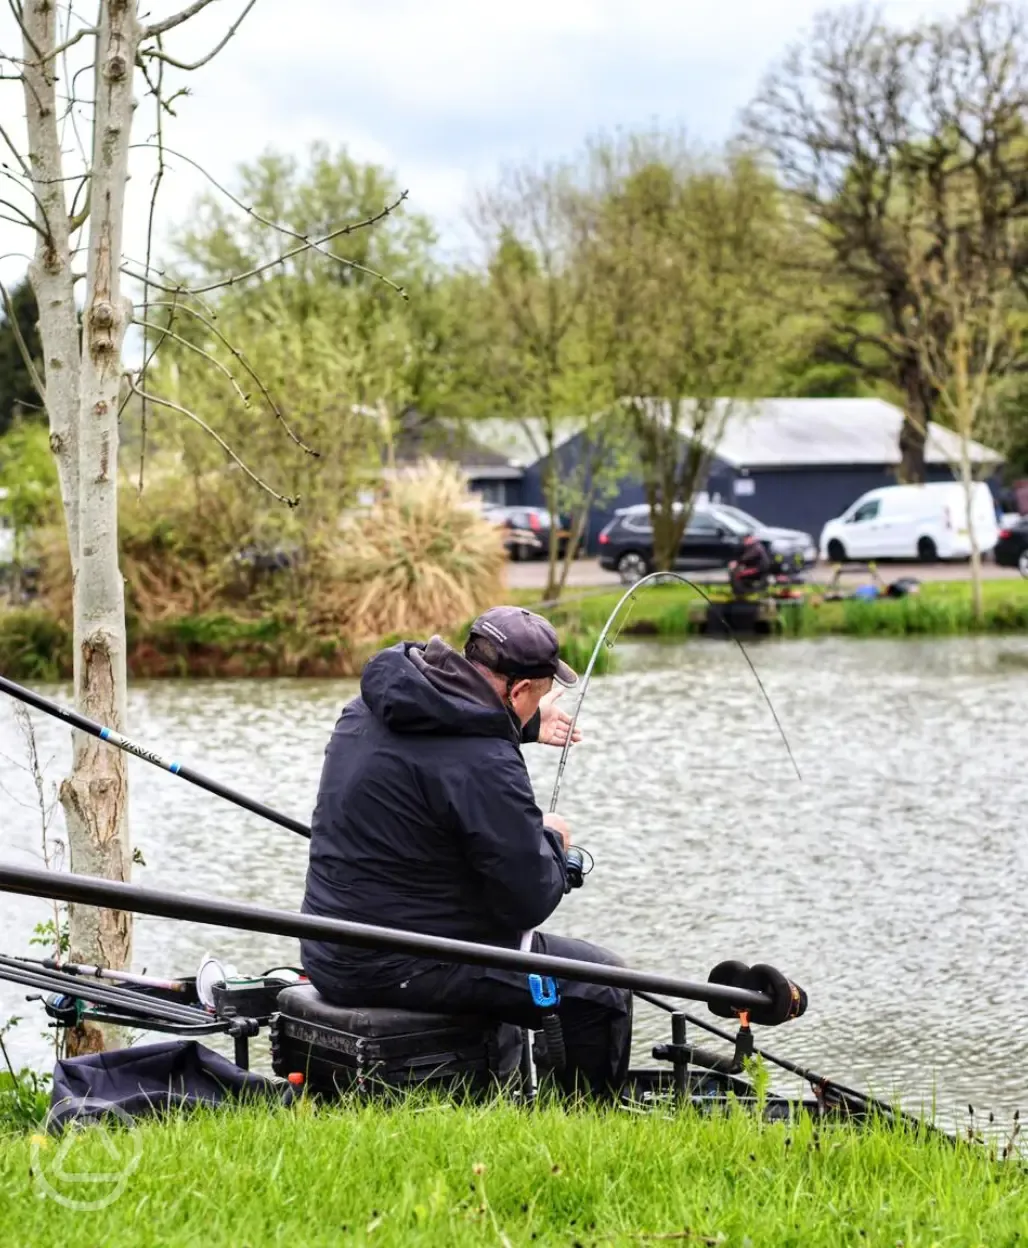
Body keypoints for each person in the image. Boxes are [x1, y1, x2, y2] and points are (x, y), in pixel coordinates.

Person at [300, 605, 632, 1098]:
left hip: (330, 944)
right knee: (601, 988)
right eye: (533, 698)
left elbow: (439, 747)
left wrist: (520, 725)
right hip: (404, 962)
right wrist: (553, 841)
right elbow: (528, 900)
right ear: (518, 690)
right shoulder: (485, 761)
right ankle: (584, 1132)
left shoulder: (369, 706)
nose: (533, 708)